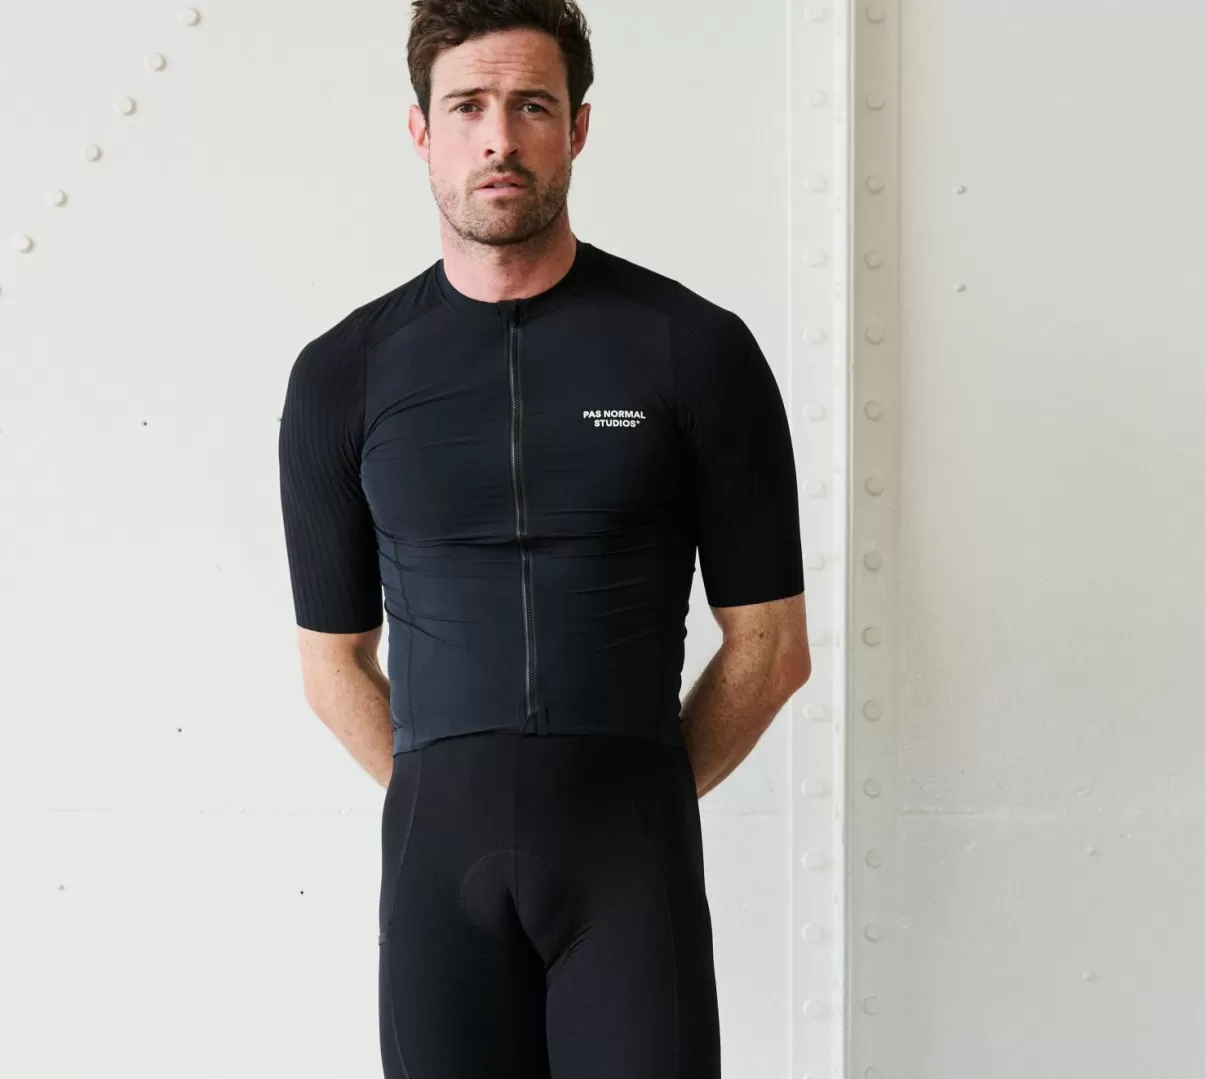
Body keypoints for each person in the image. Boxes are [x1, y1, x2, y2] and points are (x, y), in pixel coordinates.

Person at [276, 1, 811, 1075]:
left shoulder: (694, 351)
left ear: (578, 127)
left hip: (630, 863)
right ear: (421, 130)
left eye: (531, 105)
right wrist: (448, 784)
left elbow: (771, 648)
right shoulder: (343, 374)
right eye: (467, 106)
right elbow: (332, 664)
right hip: (437, 876)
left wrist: (632, 790)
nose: (499, 138)